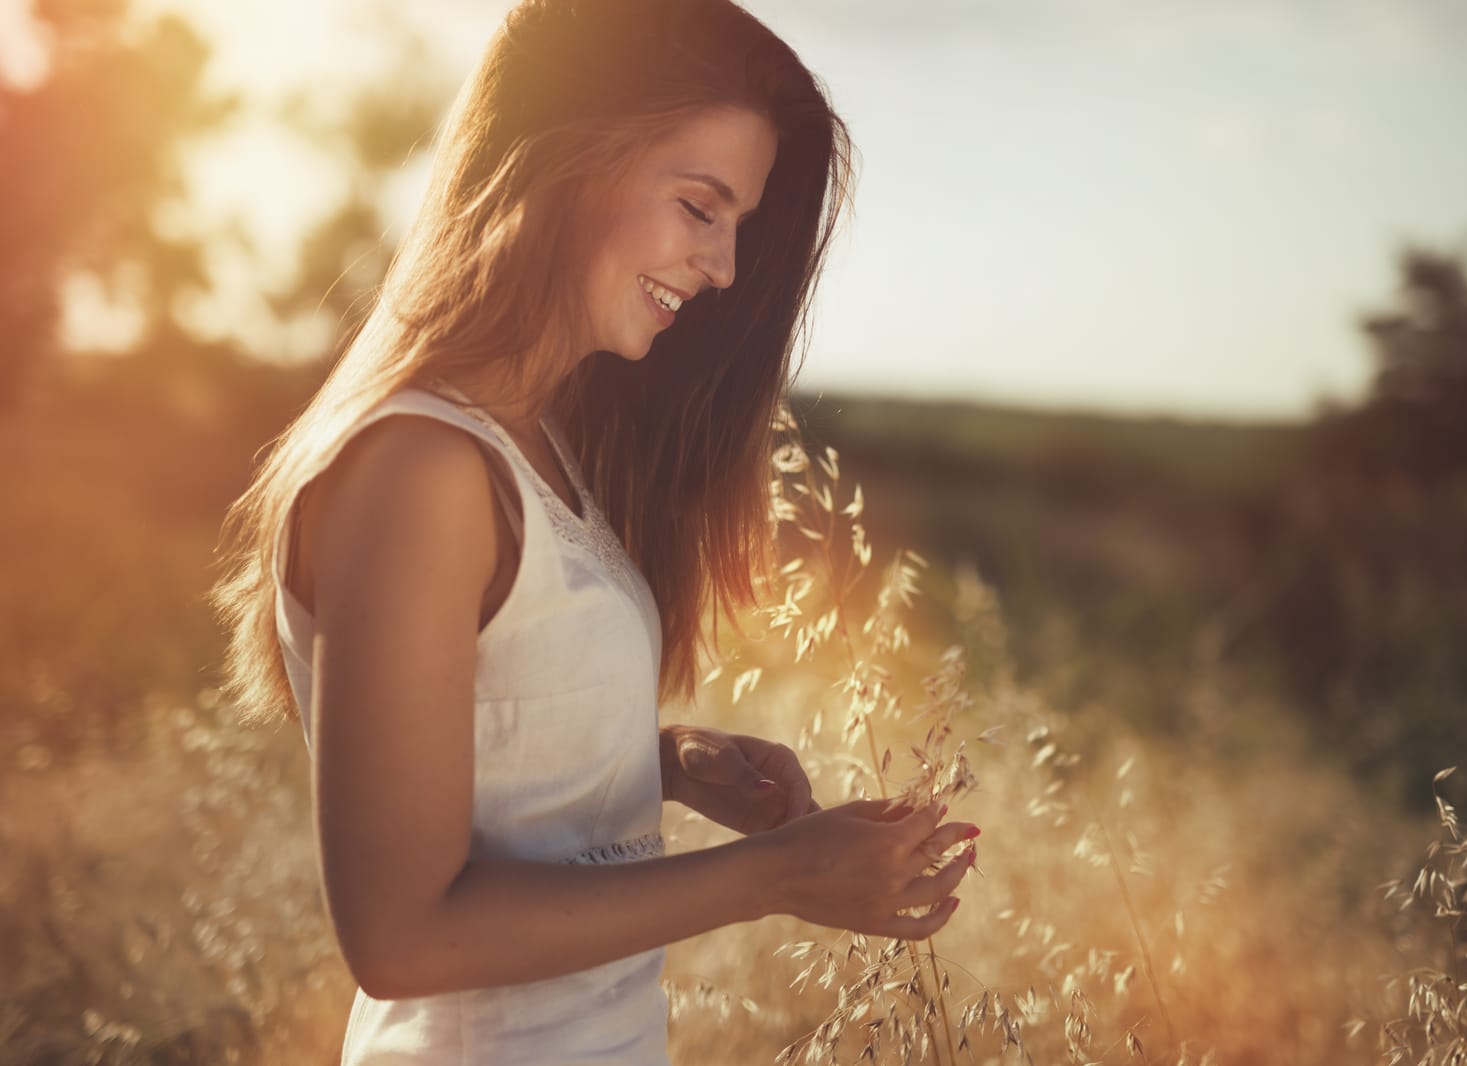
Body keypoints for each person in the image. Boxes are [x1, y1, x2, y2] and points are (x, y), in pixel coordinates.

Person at [211, 0, 977, 1061]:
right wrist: (778, 875)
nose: (721, 268)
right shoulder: (423, 469)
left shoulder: (538, 447)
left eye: (739, 226)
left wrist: (655, 763)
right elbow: (399, 936)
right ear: (561, 160)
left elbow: (484, 747)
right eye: (699, 207)